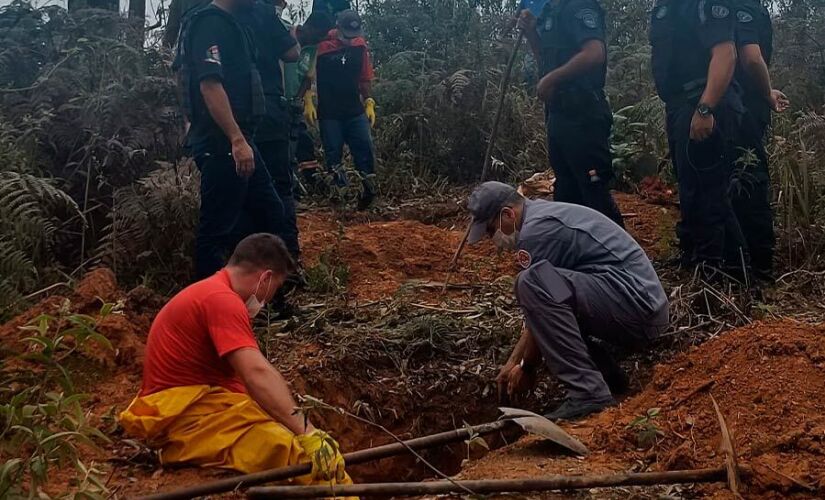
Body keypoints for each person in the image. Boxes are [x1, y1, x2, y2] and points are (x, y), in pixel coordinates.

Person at [119, 234, 353, 486]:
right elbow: (255, 372)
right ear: (265, 278)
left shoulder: (209, 293)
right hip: (191, 422)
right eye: (273, 290)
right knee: (297, 456)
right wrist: (308, 434)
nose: (267, 301)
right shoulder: (221, 300)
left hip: (202, 412)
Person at [466, 182, 669, 420]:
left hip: (639, 307)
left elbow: (542, 294)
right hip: (637, 303)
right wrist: (514, 361)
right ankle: (608, 378)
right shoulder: (539, 216)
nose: (493, 239)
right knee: (544, 289)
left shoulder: (537, 231)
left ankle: (588, 394)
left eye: (491, 231)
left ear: (508, 214)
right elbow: (552, 304)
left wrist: (526, 366)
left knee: (530, 282)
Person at [175, 0, 288, 280]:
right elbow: (209, 86)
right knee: (217, 229)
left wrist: (241, 140)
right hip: (222, 144)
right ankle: (210, 308)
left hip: (241, 141)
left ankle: (258, 298)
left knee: (268, 212)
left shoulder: (235, 24)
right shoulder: (209, 23)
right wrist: (236, 140)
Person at [649, 0, 748, 277]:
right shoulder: (666, 6)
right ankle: (700, 262)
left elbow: (726, 54)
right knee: (692, 190)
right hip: (681, 104)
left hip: (703, 102)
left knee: (708, 194)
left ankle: (715, 276)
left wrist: (705, 108)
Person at [518, 1, 625, 228]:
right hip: (558, 114)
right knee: (566, 192)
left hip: (583, 113)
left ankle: (621, 257)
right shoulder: (549, 12)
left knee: (593, 189)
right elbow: (546, 61)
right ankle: (578, 255)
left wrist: (552, 79)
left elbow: (595, 53)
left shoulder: (579, 5)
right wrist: (531, 34)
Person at [236, 0, 302, 260]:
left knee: (243, 189)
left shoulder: (211, 12)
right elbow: (292, 53)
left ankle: (250, 262)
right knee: (280, 186)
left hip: (234, 111)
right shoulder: (262, 11)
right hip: (269, 108)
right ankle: (289, 259)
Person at [732, 0, 789, 281]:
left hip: (734, 108)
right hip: (744, 110)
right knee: (750, 183)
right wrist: (767, 93)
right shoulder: (746, 6)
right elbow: (751, 58)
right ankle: (758, 269)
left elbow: (750, 58)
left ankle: (746, 267)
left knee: (739, 183)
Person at [310, 9, 378, 210]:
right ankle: (342, 198)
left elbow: (365, 77)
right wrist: (308, 99)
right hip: (329, 113)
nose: (350, 39)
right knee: (334, 156)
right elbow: (308, 74)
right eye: (346, 34)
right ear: (337, 28)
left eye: (353, 35)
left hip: (354, 111)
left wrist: (369, 101)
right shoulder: (321, 46)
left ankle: (368, 195)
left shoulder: (360, 46)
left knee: (364, 150)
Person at [281, 9, 334, 195]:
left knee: (302, 142)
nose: (320, 40)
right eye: (319, 35)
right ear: (308, 28)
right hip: (276, 101)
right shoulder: (283, 32)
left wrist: (302, 100)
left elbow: (307, 77)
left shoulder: (311, 48)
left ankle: (311, 184)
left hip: (294, 103)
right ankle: (288, 187)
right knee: (281, 147)